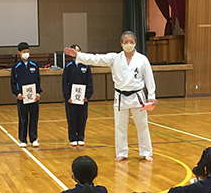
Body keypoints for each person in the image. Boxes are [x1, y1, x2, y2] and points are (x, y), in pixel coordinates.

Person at [64, 31, 157, 162]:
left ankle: (146, 151)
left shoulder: (142, 59)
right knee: (120, 126)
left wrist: (151, 96)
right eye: (126, 42)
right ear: (121, 44)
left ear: (135, 43)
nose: (129, 44)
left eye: (131, 42)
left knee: (142, 125)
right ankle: (121, 152)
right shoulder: (114, 58)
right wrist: (78, 55)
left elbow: (149, 78)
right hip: (120, 97)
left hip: (137, 96)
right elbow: (95, 59)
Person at [11, 42, 42, 148]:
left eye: (28, 52)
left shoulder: (34, 65)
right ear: (19, 53)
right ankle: (23, 139)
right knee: (23, 118)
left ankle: (34, 138)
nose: (26, 54)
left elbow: (38, 80)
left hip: (33, 97)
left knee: (34, 117)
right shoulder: (16, 67)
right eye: (24, 52)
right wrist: (17, 93)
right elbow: (13, 82)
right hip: (22, 98)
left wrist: (38, 92)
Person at [62, 44, 93, 146]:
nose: (77, 53)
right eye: (75, 51)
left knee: (82, 118)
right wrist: (67, 97)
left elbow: (89, 82)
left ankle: (80, 137)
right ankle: (72, 138)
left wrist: (87, 96)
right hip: (71, 99)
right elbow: (64, 83)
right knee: (72, 118)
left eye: (79, 51)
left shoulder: (86, 66)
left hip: (82, 99)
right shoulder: (68, 67)